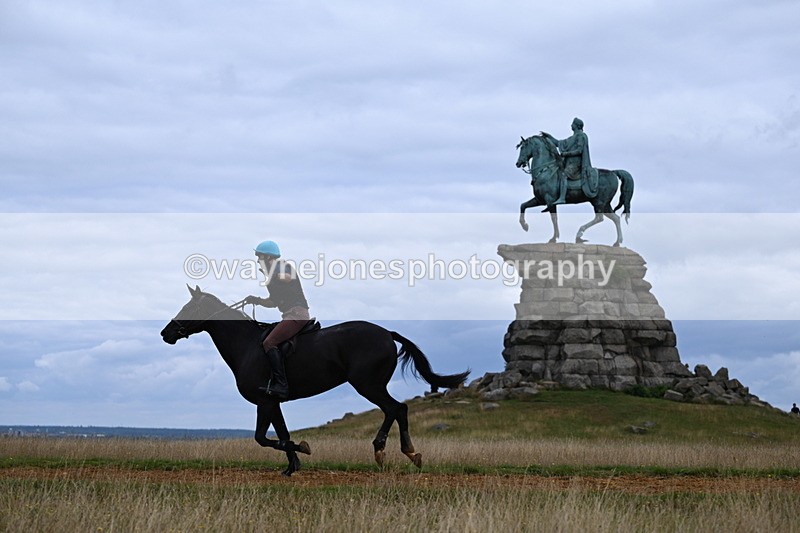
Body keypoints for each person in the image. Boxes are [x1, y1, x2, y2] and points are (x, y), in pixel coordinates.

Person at [244, 240, 310, 401]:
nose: (258, 260)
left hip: (297, 314)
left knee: (269, 342)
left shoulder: (282, 266)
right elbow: (273, 302)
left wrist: (271, 273)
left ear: (268, 257)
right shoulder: (271, 277)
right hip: (288, 314)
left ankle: (281, 385)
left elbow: (287, 278)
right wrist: (257, 300)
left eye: (259, 256)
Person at [541, 117, 595, 206]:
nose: (571, 125)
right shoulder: (572, 138)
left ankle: (562, 198)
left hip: (576, 164)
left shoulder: (581, 136)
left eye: (572, 124)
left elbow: (579, 150)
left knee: (563, 175)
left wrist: (566, 154)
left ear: (577, 126)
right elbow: (558, 143)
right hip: (568, 163)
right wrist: (549, 137)